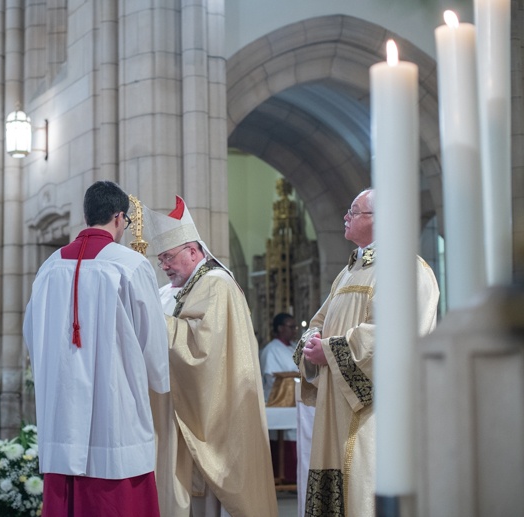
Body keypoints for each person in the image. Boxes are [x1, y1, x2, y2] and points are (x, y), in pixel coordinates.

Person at [23, 180, 170, 517]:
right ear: (119, 217)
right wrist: (159, 379)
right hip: (116, 408)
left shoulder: (49, 267)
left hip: (62, 413)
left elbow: (32, 334)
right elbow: (152, 341)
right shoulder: (131, 265)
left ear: (88, 215)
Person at [294, 188, 440, 516]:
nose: (345, 217)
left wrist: (329, 351)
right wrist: (313, 344)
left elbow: (393, 335)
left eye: (354, 211)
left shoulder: (406, 269)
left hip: (374, 415)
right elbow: (317, 323)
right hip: (335, 408)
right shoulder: (348, 273)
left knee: (365, 491)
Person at [144, 195, 278, 517]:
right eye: (160, 259)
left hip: (210, 414)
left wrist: (149, 318)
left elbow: (202, 350)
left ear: (193, 251)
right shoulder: (170, 291)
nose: (164, 266)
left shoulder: (216, 284)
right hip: (176, 409)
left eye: (168, 257)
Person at [260, 312, 300, 484]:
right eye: (291, 327)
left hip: (296, 400)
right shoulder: (271, 350)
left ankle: (295, 476)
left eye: (295, 327)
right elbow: (272, 378)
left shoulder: (293, 347)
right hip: (280, 400)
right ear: (280, 328)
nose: (294, 330)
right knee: (284, 435)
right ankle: (284, 475)